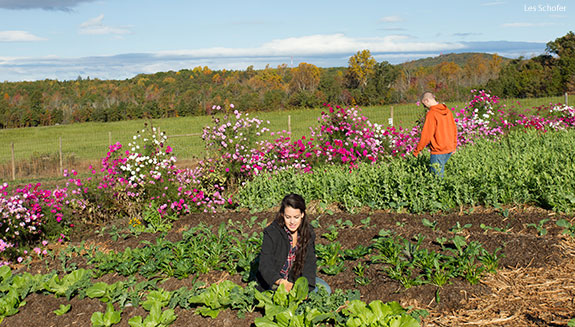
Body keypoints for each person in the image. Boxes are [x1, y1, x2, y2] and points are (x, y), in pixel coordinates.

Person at [256, 193, 331, 294]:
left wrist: (305, 288)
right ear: (282, 214)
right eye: (288, 217)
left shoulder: (307, 233)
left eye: (296, 217)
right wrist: (281, 282)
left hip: (295, 279)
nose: (292, 222)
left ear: (302, 215)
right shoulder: (272, 233)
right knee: (280, 296)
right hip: (275, 282)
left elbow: (310, 263)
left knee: (325, 290)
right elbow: (265, 265)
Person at [413, 91, 458, 177]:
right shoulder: (447, 111)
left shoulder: (432, 113)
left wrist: (417, 150)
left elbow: (426, 135)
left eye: (424, 104)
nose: (425, 107)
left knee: (436, 180)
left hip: (438, 151)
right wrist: (454, 146)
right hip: (449, 149)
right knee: (437, 174)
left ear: (426, 100)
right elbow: (454, 129)